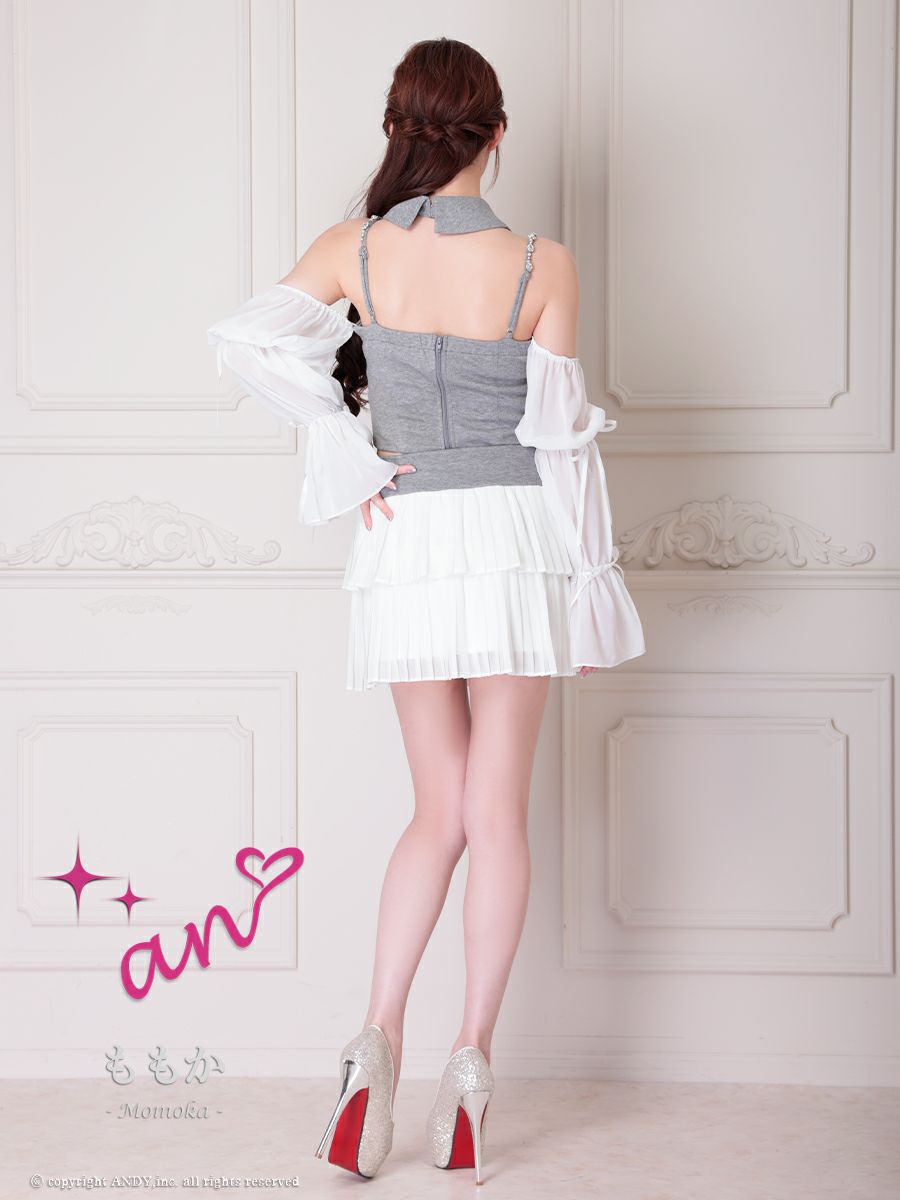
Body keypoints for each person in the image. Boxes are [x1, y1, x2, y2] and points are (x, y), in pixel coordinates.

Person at [207, 35, 645, 1187]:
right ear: (497, 133)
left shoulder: (354, 247)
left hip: (405, 545)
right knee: (496, 813)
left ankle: (374, 1041)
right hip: (515, 542)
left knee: (433, 811)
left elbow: (247, 340)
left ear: (399, 130)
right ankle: (470, 1066)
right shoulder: (543, 264)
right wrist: (591, 588)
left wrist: (350, 452)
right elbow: (564, 445)